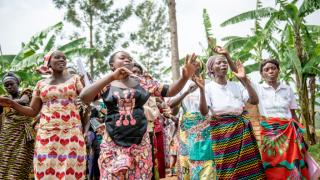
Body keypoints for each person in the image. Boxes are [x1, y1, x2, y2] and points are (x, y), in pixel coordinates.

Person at [80, 51, 199, 179]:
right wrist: (111, 77)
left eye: (130, 59)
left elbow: (169, 91)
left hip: (140, 144)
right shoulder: (106, 83)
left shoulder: (142, 82)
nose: (128, 60)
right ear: (112, 65)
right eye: (122, 58)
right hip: (112, 144)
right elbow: (84, 97)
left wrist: (184, 78)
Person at [0, 50, 87, 179]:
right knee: (46, 169)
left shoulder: (74, 79)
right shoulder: (40, 84)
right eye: (57, 57)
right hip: (47, 135)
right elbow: (33, 111)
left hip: (71, 133)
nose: (62, 59)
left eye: (64, 58)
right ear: (48, 63)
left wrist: (86, 80)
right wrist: (12, 104)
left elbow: (87, 96)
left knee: (71, 170)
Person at [196, 47, 265, 179]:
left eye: (225, 62)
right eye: (219, 63)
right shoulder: (208, 87)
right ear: (211, 69)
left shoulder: (236, 85)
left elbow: (255, 100)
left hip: (241, 130)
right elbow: (204, 111)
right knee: (226, 168)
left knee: (248, 167)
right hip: (221, 132)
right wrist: (201, 90)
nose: (223, 65)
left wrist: (245, 80)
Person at [255, 59, 310, 179]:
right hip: (268, 132)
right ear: (262, 74)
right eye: (266, 69)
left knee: (292, 159)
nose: (270, 71)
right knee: (271, 160)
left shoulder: (287, 89)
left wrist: (300, 133)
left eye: (273, 68)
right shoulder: (258, 89)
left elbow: (293, 113)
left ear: (278, 71)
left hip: (289, 132)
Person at [169, 80, 215, 180]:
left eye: (197, 63)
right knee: (186, 157)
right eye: (192, 63)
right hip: (187, 129)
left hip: (205, 128)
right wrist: (186, 92)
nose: (195, 64)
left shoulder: (209, 83)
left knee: (206, 157)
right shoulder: (181, 85)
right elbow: (172, 109)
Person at [0, 72, 34, 179]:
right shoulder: (4, 98)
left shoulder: (26, 92)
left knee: (21, 163)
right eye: (6, 85)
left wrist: (8, 102)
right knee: (4, 162)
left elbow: (24, 101)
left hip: (23, 135)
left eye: (11, 84)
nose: (9, 87)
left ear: (17, 83)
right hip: (7, 135)